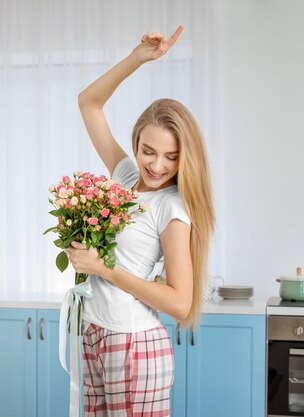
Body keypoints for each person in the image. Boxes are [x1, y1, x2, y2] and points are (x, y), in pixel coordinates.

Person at [64, 25, 215, 417]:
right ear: (136, 142)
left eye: (171, 157)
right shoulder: (126, 178)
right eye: (148, 151)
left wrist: (104, 268)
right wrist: (138, 57)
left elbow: (181, 304)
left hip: (134, 345)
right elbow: (88, 103)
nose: (157, 165)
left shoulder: (172, 208)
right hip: (94, 332)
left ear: (185, 159)